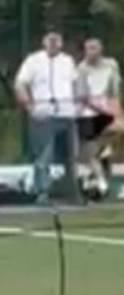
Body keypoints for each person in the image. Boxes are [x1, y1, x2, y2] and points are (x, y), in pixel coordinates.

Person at [14, 31, 80, 204]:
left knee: (71, 155)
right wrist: (30, 107)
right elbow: (20, 83)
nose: (53, 44)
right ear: (44, 43)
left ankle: (70, 191)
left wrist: (78, 106)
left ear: (61, 43)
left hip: (67, 113)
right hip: (43, 114)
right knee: (44, 155)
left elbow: (75, 84)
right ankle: (42, 192)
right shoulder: (33, 60)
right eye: (50, 41)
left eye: (56, 41)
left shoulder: (68, 61)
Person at [77, 37, 124, 200]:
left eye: (94, 48)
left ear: (101, 49)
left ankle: (104, 151)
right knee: (89, 150)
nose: (90, 52)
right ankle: (101, 182)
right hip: (88, 111)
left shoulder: (111, 65)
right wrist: (100, 109)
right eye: (88, 49)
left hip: (108, 106)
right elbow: (83, 96)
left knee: (122, 127)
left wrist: (117, 110)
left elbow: (115, 91)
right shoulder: (81, 68)